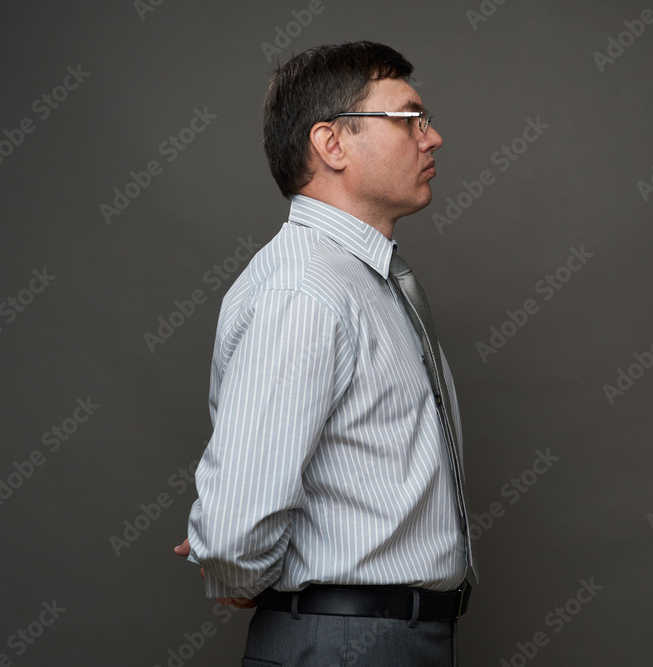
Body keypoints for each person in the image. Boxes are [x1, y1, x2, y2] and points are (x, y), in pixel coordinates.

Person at [173, 41, 478, 666]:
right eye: (409, 118)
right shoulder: (304, 292)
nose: (433, 137)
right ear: (331, 144)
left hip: (396, 642)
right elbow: (236, 527)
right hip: (344, 647)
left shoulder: (364, 281)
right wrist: (233, 569)